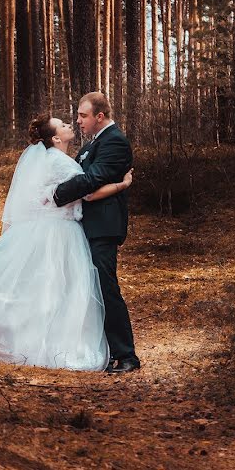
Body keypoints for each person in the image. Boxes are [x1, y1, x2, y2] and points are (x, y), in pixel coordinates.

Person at [0, 114, 132, 371]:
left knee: (41, 289)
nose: (71, 124)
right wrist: (122, 184)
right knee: (54, 289)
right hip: (60, 231)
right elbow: (87, 191)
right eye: (64, 125)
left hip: (56, 227)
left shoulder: (52, 159)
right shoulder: (59, 162)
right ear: (56, 137)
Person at [53, 92, 141, 374]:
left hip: (103, 227)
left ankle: (126, 355)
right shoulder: (93, 144)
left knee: (106, 287)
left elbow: (91, 180)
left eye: (83, 115)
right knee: (89, 288)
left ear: (99, 116)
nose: (78, 121)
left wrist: (57, 195)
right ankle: (103, 350)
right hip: (87, 226)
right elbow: (79, 175)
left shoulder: (114, 142)